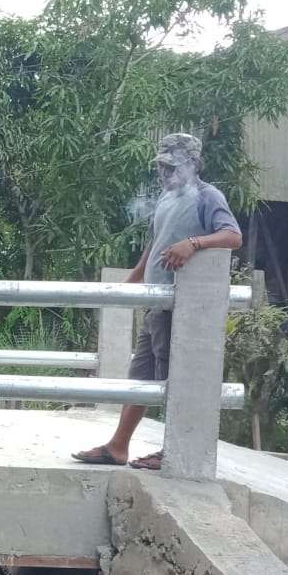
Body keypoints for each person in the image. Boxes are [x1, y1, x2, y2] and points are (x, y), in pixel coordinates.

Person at [73, 132, 241, 470]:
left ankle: (172, 451)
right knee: (141, 378)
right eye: (161, 166)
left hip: (179, 309)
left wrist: (193, 243)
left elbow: (233, 236)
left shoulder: (207, 197)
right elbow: (155, 244)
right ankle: (118, 446)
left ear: (192, 165)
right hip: (156, 302)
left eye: (171, 166)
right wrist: (133, 281)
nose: (164, 173)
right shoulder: (167, 199)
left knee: (170, 380)